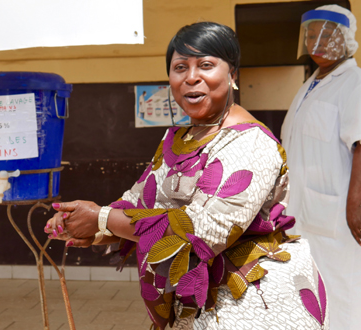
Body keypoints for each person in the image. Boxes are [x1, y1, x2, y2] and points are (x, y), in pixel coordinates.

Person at [46, 22, 329, 330]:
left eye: (206, 65)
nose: (191, 77)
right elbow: (137, 200)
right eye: (180, 67)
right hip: (194, 304)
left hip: (251, 305)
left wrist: (101, 218)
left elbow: (205, 231)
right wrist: (89, 226)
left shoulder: (250, 142)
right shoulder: (179, 138)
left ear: (232, 74)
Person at [280, 5, 361, 330]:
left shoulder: (356, 83)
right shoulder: (312, 84)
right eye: (311, 34)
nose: (317, 41)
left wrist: (354, 203)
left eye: (326, 34)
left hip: (343, 217)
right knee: (318, 294)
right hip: (310, 216)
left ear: (345, 39)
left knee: (349, 295)